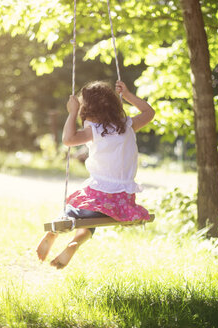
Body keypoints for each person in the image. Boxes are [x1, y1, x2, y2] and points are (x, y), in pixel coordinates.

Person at [36, 80, 155, 269]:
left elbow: (67, 140)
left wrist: (72, 112)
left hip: (97, 195)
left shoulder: (95, 131)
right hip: (122, 201)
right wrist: (128, 94)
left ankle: (54, 232)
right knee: (91, 222)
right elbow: (150, 112)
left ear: (87, 109)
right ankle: (75, 244)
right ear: (114, 105)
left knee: (74, 209)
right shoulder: (127, 125)